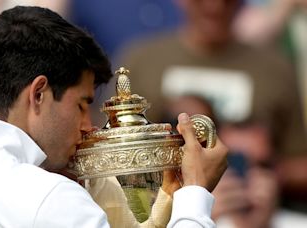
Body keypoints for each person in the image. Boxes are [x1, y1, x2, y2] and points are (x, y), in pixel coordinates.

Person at [0, 6, 228, 227]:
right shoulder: (50, 199)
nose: (88, 126)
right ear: (38, 94)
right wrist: (195, 192)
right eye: (81, 104)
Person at [117, 0, 307, 209]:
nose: (214, 6)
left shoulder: (276, 69)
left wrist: (265, 174)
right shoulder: (142, 61)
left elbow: (299, 162)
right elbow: (112, 154)